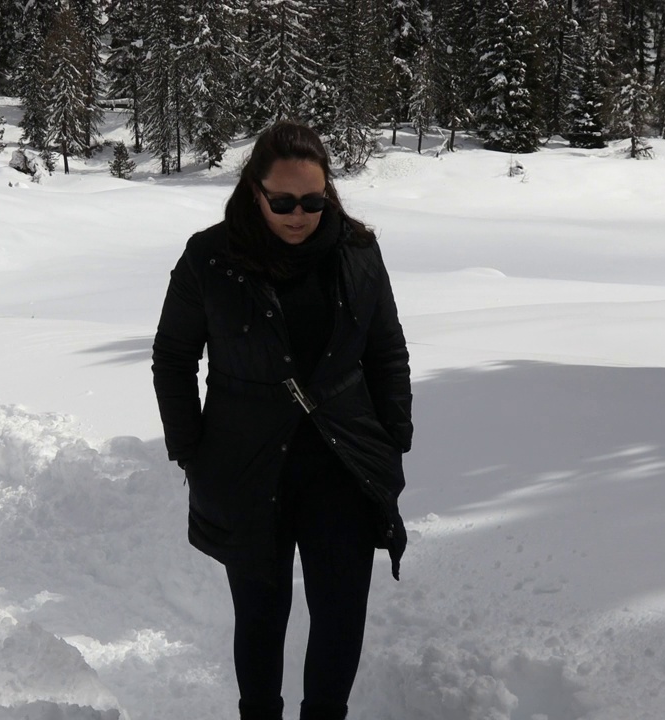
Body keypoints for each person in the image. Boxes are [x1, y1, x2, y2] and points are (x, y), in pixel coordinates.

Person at [151, 120, 412, 720]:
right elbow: (173, 356)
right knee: (262, 615)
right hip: (247, 464)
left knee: (341, 611)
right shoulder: (210, 258)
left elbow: (386, 348)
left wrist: (394, 437)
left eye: (314, 201)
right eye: (284, 201)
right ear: (254, 192)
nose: (299, 214)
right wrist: (191, 449)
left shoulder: (357, 253)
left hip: (341, 462)